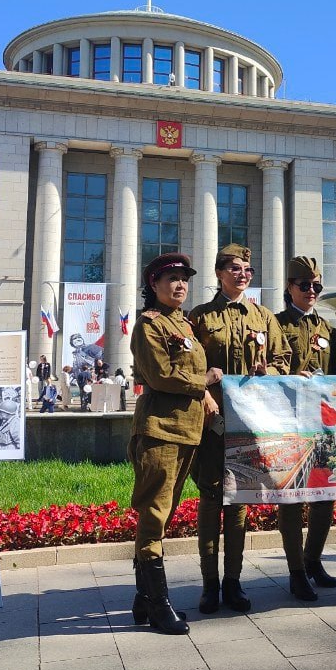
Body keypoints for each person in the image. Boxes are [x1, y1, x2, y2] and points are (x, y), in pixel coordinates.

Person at [189, 243, 292, 614]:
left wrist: (271, 372)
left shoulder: (264, 317)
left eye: (247, 269)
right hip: (213, 422)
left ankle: (233, 582)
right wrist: (203, 388)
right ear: (219, 273)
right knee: (211, 498)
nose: (242, 274)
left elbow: (284, 361)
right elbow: (189, 367)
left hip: (250, 424)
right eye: (234, 268)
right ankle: (209, 585)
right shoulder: (200, 317)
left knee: (238, 504)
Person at [129, 252, 222, 635]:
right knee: (154, 514)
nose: (180, 285)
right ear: (154, 285)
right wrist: (204, 381)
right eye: (171, 279)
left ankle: (142, 598)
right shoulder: (149, 325)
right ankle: (158, 602)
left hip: (187, 431)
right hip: (159, 430)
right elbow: (161, 374)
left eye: (184, 279)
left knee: (163, 513)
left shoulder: (182, 324)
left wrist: (205, 397)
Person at [274, 255, 336, 602]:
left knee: (325, 496)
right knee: (290, 500)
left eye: (317, 286)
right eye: (305, 286)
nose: (312, 291)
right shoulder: (275, 325)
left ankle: (313, 559)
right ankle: (296, 570)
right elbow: (269, 371)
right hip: (288, 424)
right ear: (290, 288)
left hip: (322, 425)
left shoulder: (329, 330)